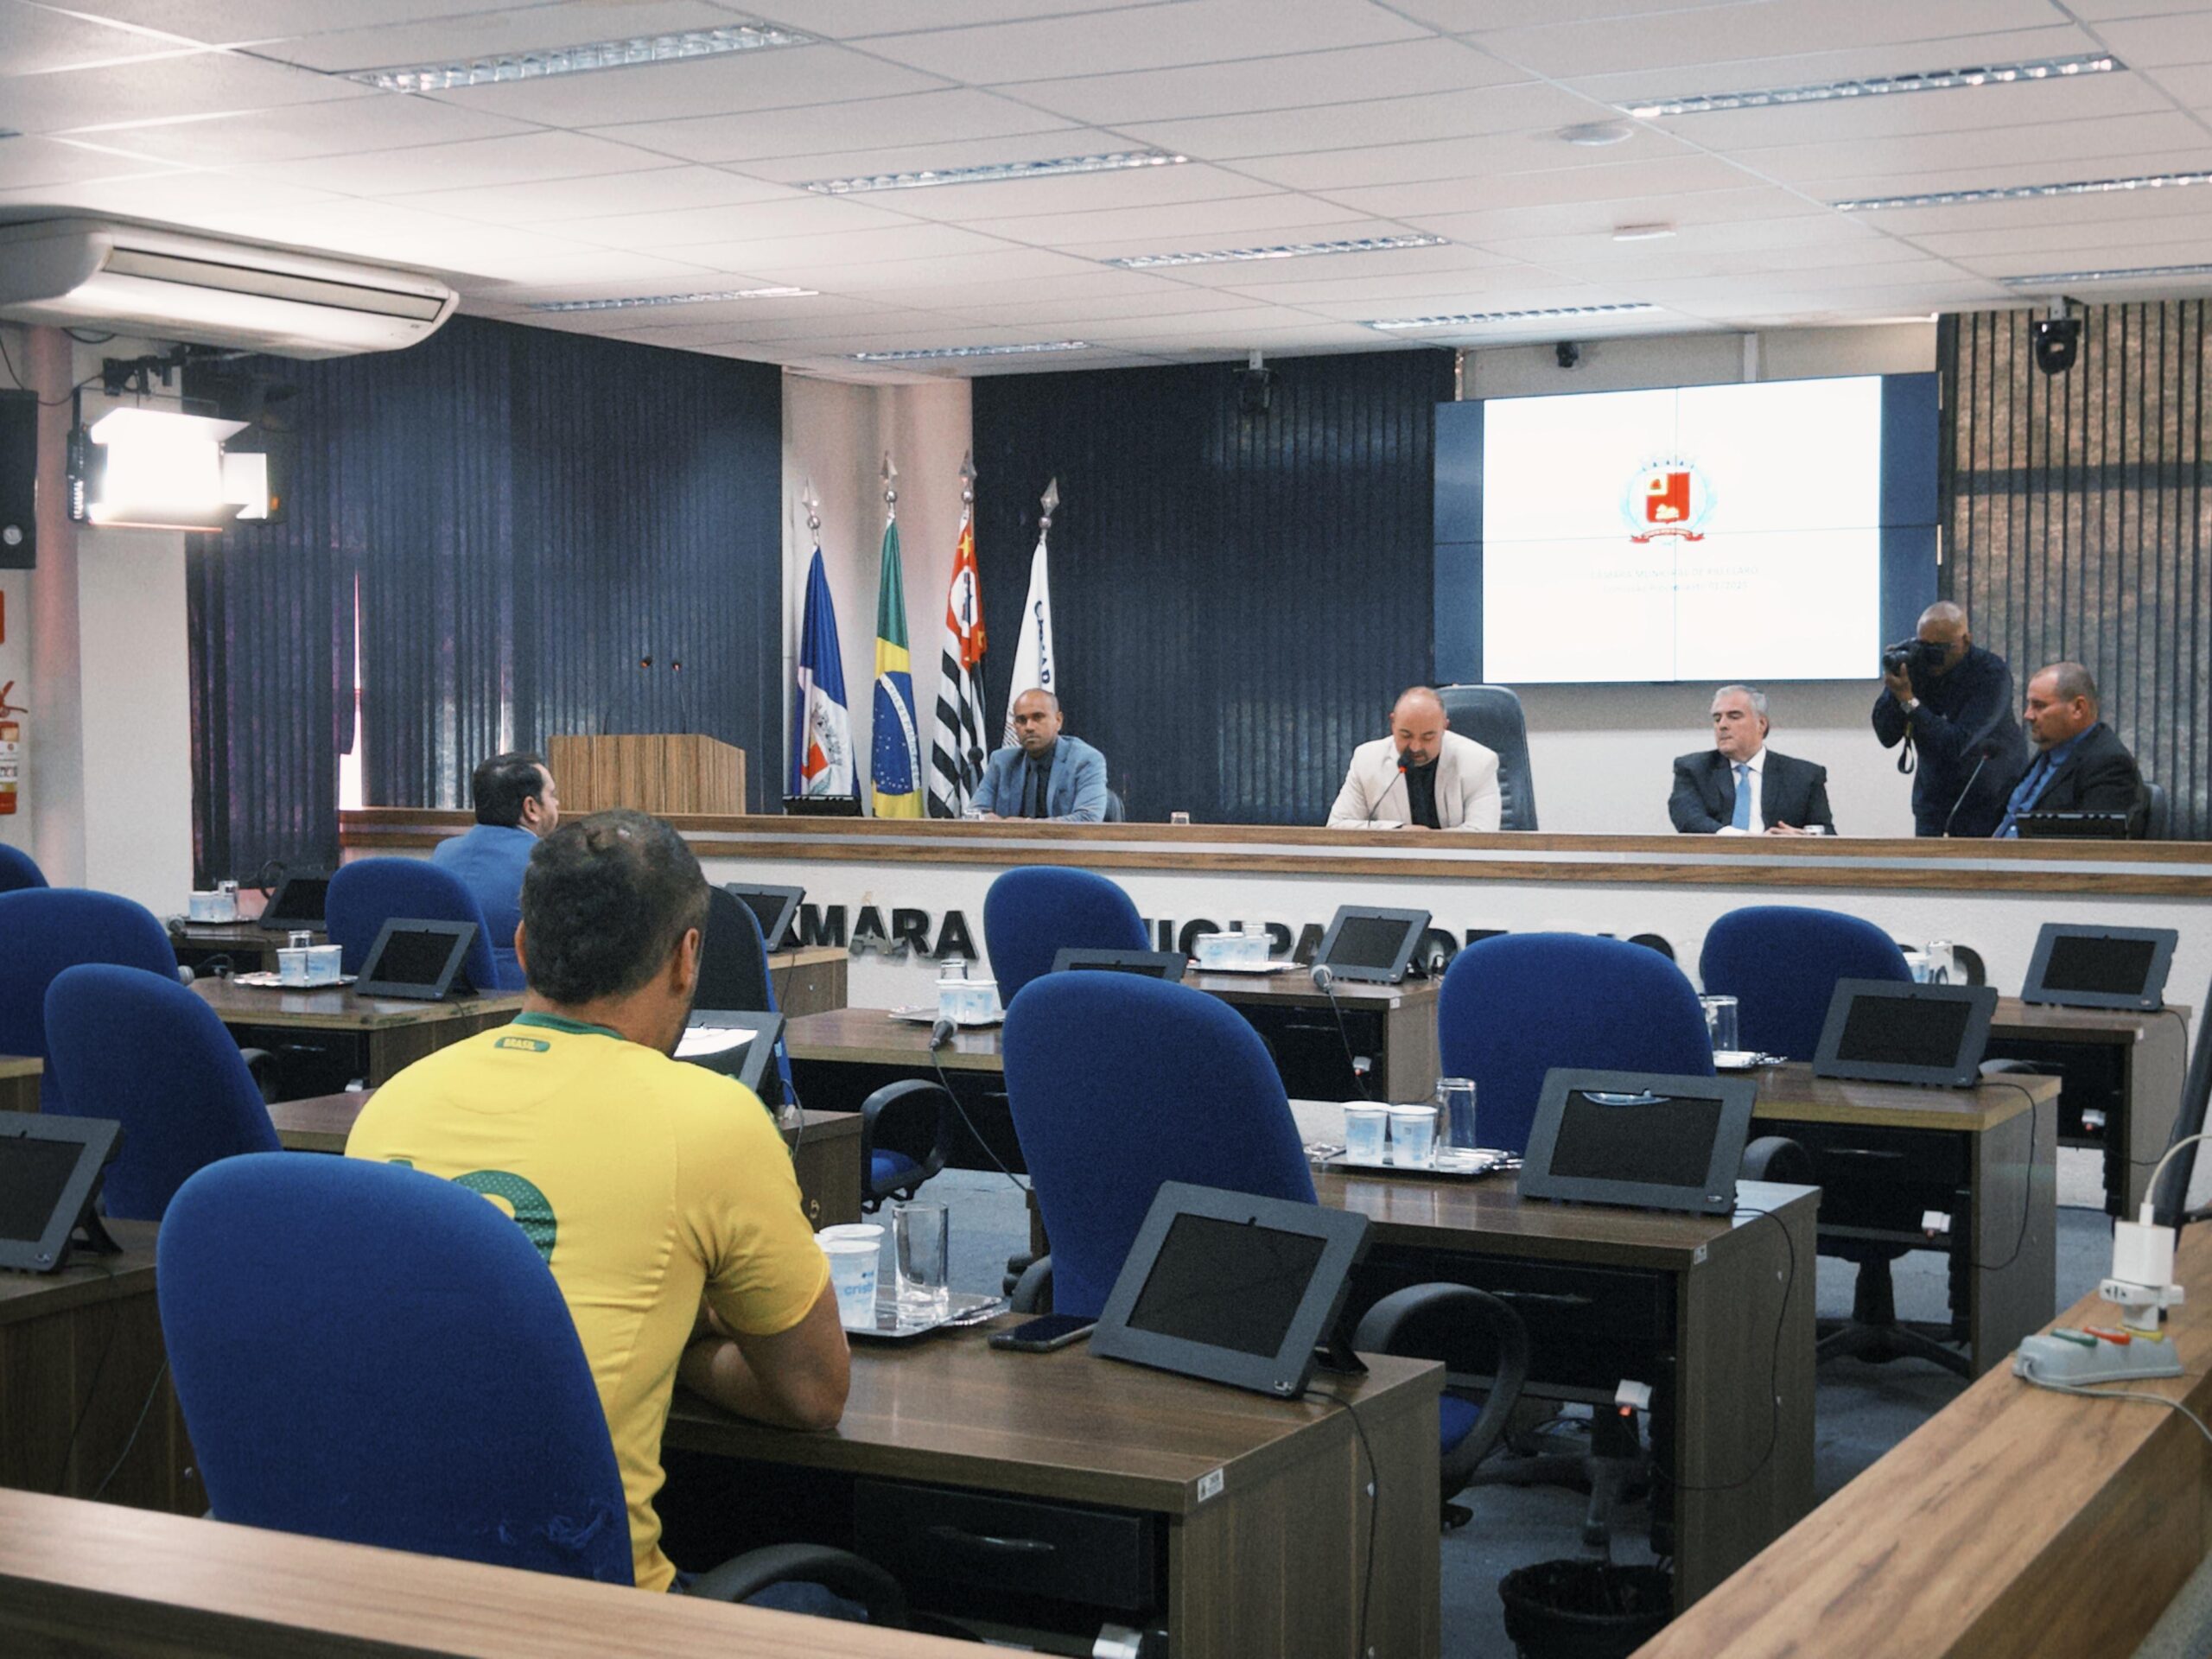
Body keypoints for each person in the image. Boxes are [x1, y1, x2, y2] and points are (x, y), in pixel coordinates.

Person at [347, 809, 846, 1595]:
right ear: (688, 957)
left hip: (386, 1597)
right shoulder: (710, 1120)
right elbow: (813, 1393)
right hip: (590, 1614)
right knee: (836, 1605)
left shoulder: (395, 1103)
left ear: (521, 946)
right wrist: (679, 1333)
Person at [1872, 601, 2024, 837]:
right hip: (1934, 802)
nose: (1932, 656)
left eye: (1941, 648)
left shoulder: (1990, 673)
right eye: (1925, 646)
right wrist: (1895, 691)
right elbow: (1886, 736)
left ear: (1966, 640)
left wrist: (1909, 701)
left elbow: (1958, 744)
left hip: (1987, 798)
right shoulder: (1917, 665)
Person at [431, 752, 559, 987]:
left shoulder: (443, 852)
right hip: (519, 995)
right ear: (531, 808)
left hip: (446, 994)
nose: (556, 803)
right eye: (551, 795)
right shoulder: (549, 859)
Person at [1994, 663, 2144, 837]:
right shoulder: (2050, 752)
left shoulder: (2110, 764)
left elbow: (2093, 845)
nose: (2028, 715)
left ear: (2078, 708)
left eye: (2039, 705)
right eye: (2029, 704)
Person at [1329, 686, 1502, 831]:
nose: (1415, 747)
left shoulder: (1479, 762)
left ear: (1444, 727)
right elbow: (1337, 826)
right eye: (1406, 735)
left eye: (1428, 737)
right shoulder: (1367, 759)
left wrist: (1423, 840)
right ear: (1393, 723)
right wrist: (1398, 831)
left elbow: (1483, 834)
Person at [1669, 685, 1834, 835]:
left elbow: (1826, 832)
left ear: (1761, 724)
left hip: (1780, 857)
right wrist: (1744, 839)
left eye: (1734, 716)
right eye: (1717, 718)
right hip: (1716, 856)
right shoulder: (1694, 769)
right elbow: (1688, 819)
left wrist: (1801, 838)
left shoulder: (1804, 776)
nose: (1722, 725)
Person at [973, 690, 1109, 821]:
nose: (1029, 727)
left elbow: (1088, 819)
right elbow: (973, 814)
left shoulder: (1085, 760)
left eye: (1038, 717)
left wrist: (1024, 826)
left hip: (1062, 838)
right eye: (1021, 720)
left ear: (1058, 721)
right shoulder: (1001, 762)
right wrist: (984, 819)